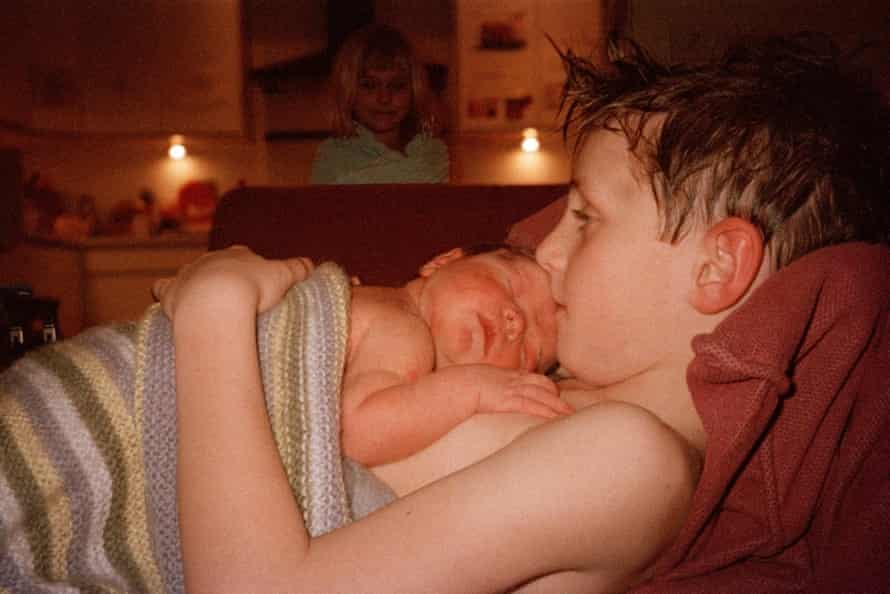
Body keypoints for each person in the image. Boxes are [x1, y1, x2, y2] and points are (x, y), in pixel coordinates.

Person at [159, 32, 889, 593]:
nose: (548, 250)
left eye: (586, 217)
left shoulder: (630, 462)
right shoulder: (558, 398)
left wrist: (214, 313)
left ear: (717, 267)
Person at [338, 242, 568, 466]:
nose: (516, 323)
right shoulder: (406, 330)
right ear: (443, 261)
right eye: (512, 286)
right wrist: (473, 390)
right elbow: (356, 434)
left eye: (528, 351)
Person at [310, 23, 449, 184]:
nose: (384, 98)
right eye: (369, 86)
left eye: (397, 86)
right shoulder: (332, 156)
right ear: (348, 91)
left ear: (415, 91)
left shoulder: (432, 151)